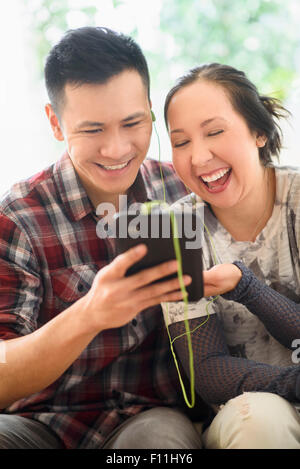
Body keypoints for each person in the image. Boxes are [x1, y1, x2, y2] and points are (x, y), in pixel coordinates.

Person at [0, 26, 206, 450]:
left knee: (162, 445)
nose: (116, 149)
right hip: (38, 423)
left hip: (150, 419)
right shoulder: (18, 217)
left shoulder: (181, 194)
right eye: (92, 130)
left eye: (132, 122)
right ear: (55, 123)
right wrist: (91, 313)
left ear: (150, 111)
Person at [163, 63, 300, 449]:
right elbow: (207, 371)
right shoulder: (177, 230)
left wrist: (248, 288)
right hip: (249, 415)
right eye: (181, 141)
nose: (199, 156)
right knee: (260, 421)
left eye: (215, 131)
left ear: (259, 132)